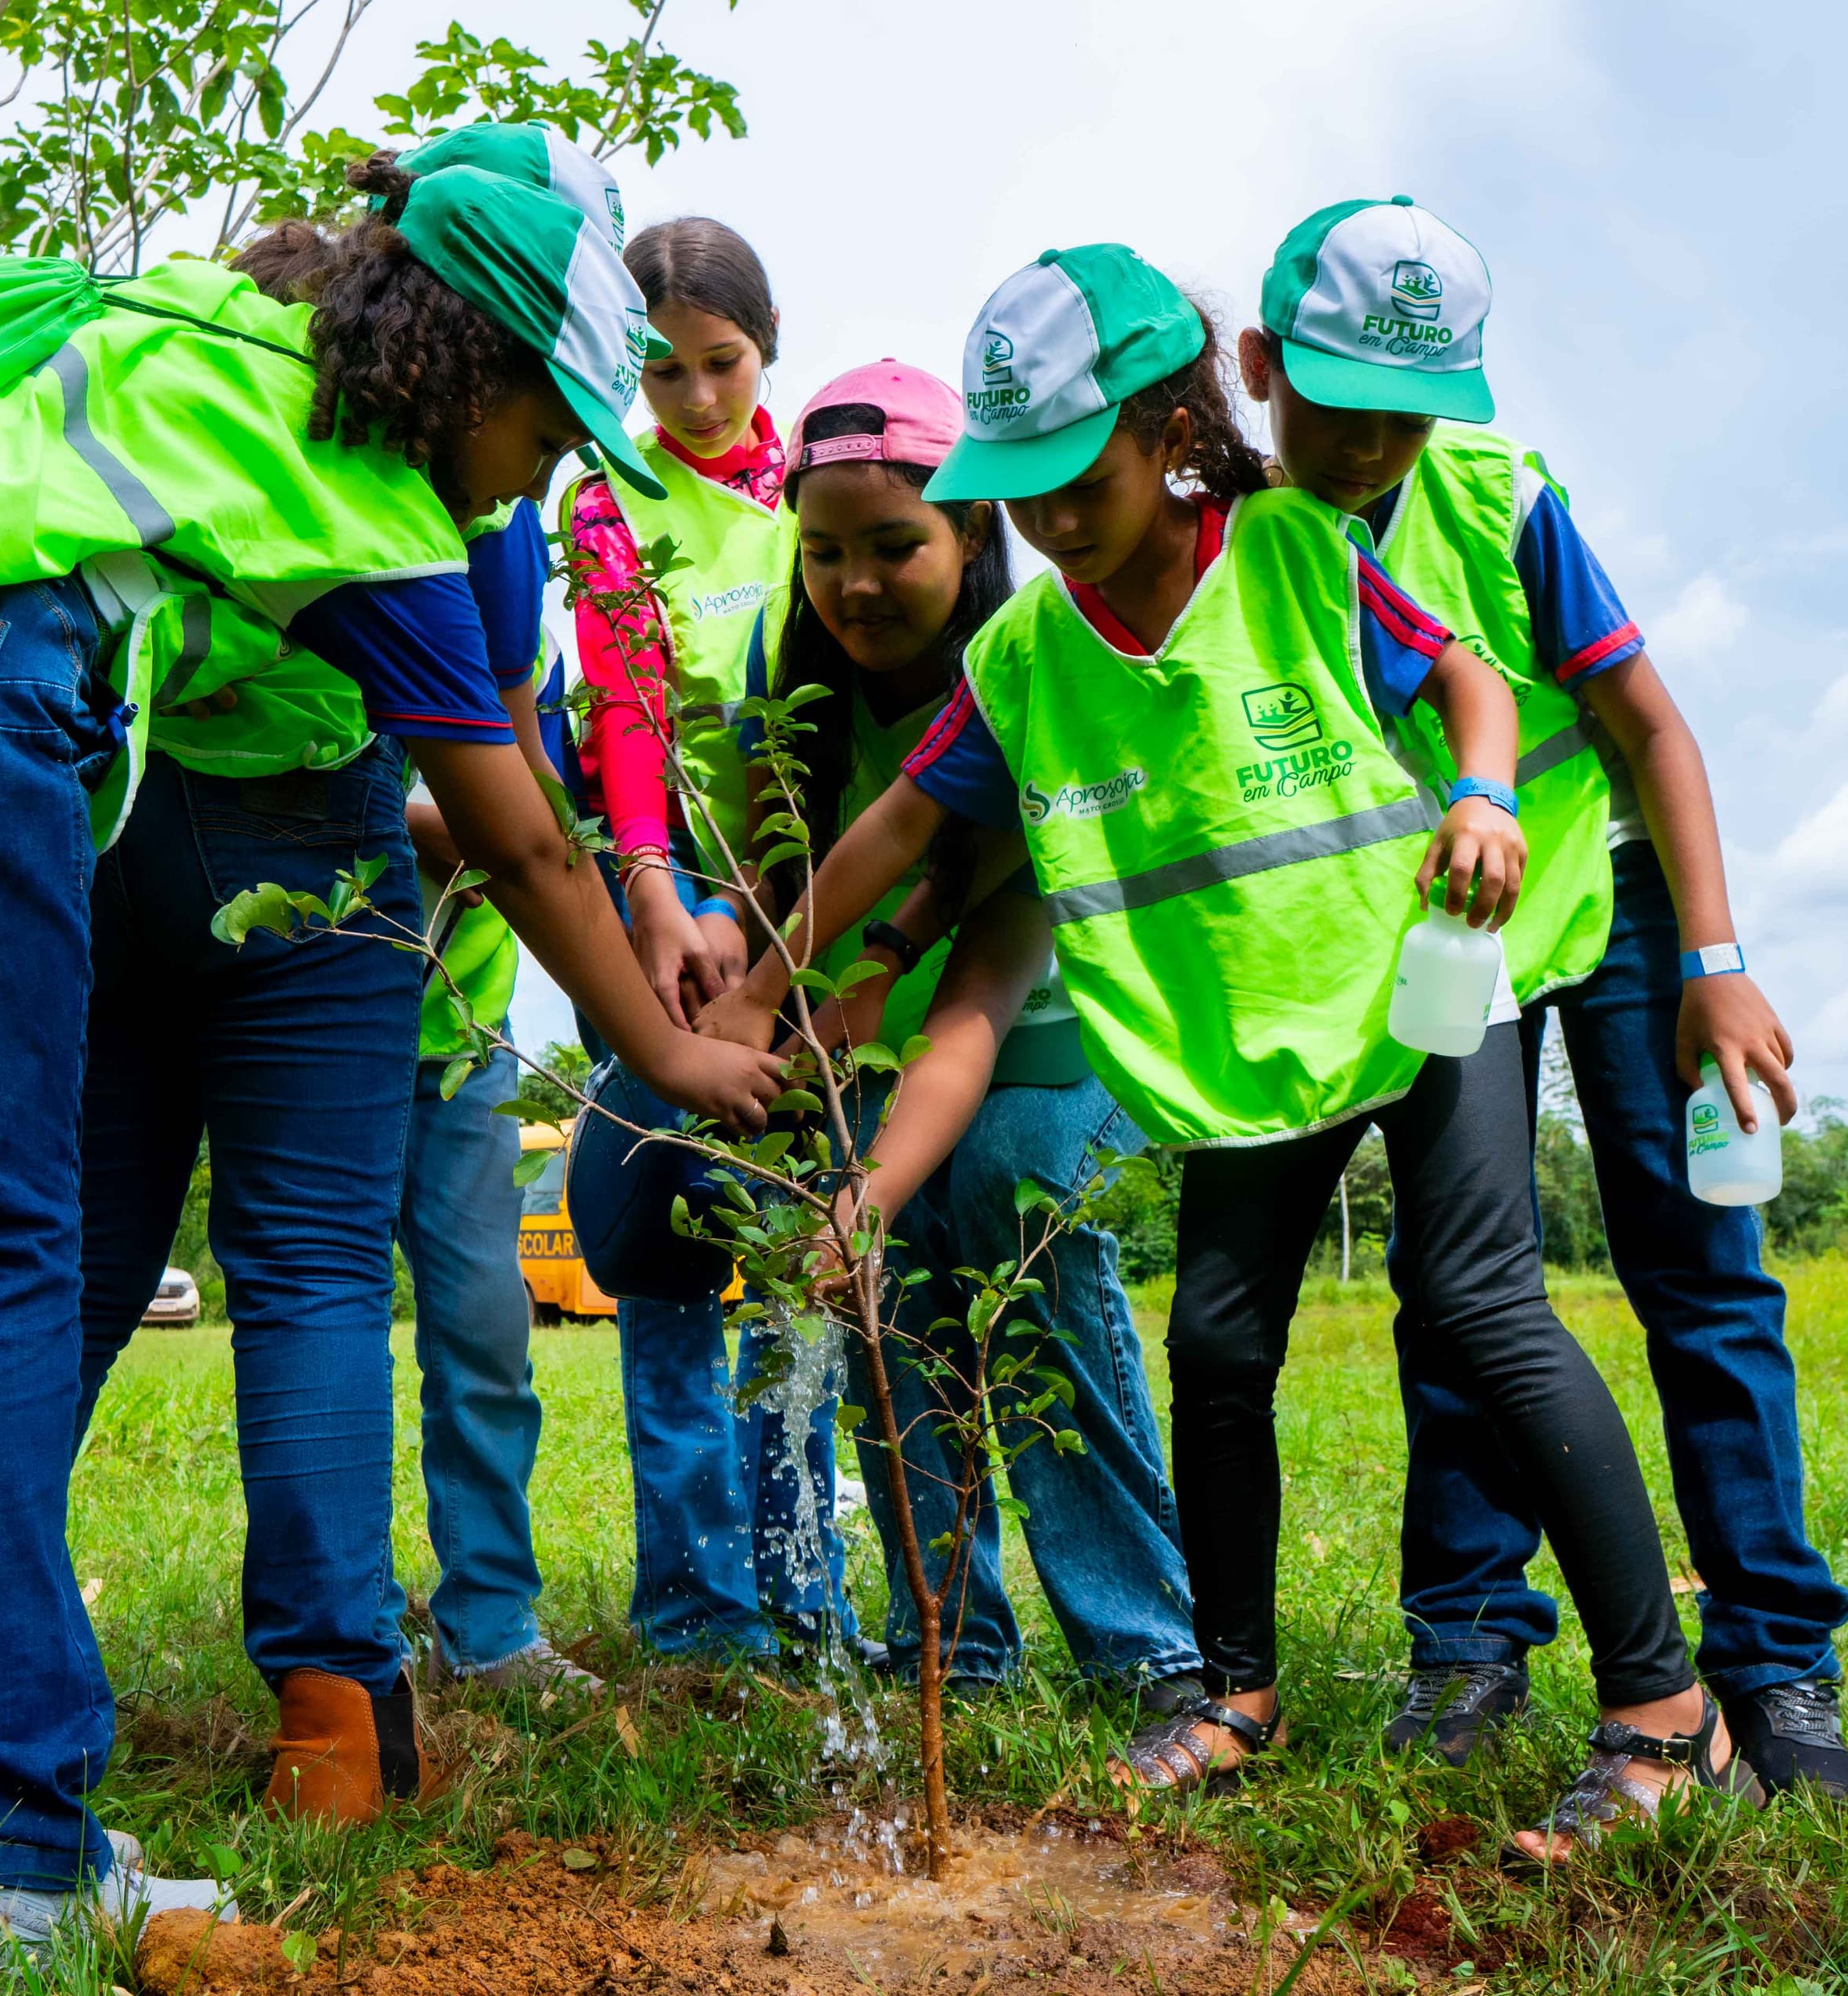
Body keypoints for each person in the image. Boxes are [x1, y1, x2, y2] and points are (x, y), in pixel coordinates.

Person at [0, 147, 782, 1858]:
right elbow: (520, 818)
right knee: (318, 1265)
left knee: (67, 1268)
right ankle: (336, 1717)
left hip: (95, 807)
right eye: (549, 430)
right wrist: (668, 1043)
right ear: (484, 350)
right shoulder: (429, 500)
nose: (540, 471)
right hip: (307, 847)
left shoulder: (221, 332)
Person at [703, 245, 1729, 1860]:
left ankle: (1667, 1712)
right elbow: (903, 820)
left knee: (1480, 1304)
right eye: (1021, 493)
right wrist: (766, 984)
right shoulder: (1029, 660)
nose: (1048, 521)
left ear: (1172, 427)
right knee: (1219, 1342)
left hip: (1411, 990)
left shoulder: (1296, 552)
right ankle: (1235, 1689)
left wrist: (1483, 795)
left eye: (1078, 479)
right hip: (1244, 1050)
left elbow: (1465, 676)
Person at [1233, 196, 1848, 1796]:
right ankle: (1466, 1641)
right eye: (1341, 401)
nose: (1377, 440)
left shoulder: (1500, 500)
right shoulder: (1240, 549)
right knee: (1461, 1291)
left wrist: (1717, 964)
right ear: (1260, 368)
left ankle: (1777, 1665)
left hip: (1624, 888)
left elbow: (1654, 728)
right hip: (1459, 928)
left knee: (1701, 1272)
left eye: (1411, 409)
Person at [747, 359, 1204, 1718]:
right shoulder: (801, 706)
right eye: (823, 553)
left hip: (1046, 1041)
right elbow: (789, 881)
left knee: (1009, 1211)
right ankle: (953, 1636)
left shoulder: (1029, 681)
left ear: (970, 539)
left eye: (898, 546)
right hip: (879, 1059)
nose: (858, 582)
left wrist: (866, 1188)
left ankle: (1149, 1643)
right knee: (894, 1307)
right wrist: (749, 1001)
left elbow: (977, 1000)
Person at [224, 126, 614, 1702]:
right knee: (312, 1293)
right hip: (296, 954)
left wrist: (548, 871)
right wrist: (480, 835)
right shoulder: (326, 443)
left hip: (448, 996)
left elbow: (512, 744)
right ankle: (341, 1622)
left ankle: (493, 1612)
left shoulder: (501, 511)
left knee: (477, 1320)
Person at [558, 216, 853, 1663]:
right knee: (662, 1246)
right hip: (660, 909)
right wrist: (661, 893)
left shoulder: (826, 490)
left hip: (805, 916)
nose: (697, 399)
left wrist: (769, 920)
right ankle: (697, 1609)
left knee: (799, 1264)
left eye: (722, 364)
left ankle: (810, 1596)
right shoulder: (604, 494)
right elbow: (626, 703)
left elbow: (843, 715)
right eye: (662, 371)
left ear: (768, 345)